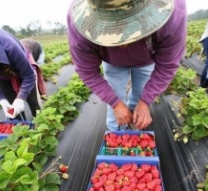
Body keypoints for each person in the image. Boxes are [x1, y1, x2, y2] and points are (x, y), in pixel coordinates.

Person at [67, 0, 187, 131]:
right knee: (115, 97)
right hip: (112, 61)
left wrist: (145, 101)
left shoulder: (173, 13)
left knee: (140, 95)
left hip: (145, 59)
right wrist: (115, 104)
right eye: (112, 29)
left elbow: (167, 66)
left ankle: (136, 127)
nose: (123, 44)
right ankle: (116, 133)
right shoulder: (79, 25)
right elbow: (87, 71)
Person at [0, 28, 43, 120]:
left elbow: (29, 76)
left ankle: (41, 121)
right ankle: (20, 128)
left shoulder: (11, 47)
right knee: (11, 105)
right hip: (1, 75)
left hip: (22, 69)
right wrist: (2, 100)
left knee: (33, 101)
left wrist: (20, 99)